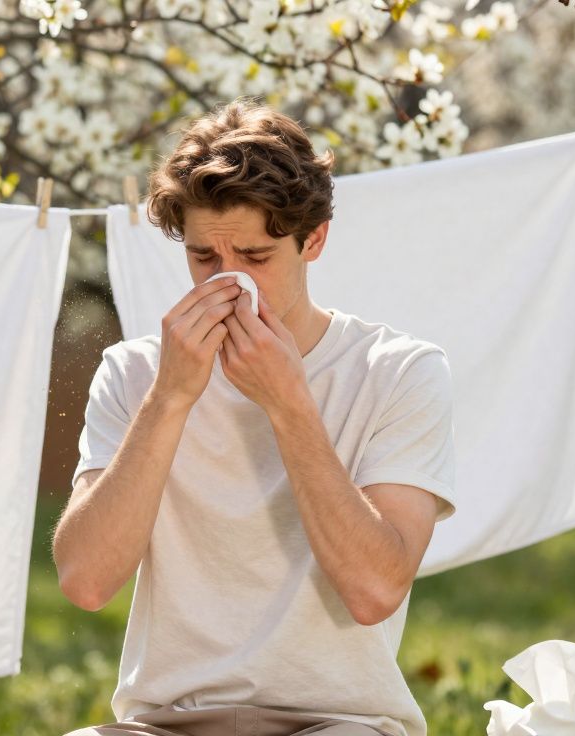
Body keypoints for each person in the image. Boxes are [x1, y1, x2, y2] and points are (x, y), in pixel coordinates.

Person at [52, 97, 458, 736]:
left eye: (255, 257)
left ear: (313, 239)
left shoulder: (399, 371)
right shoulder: (135, 373)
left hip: (337, 723)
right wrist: (170, 398)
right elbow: (85, 582)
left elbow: (375, 590)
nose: (227, 281)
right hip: (168, 723)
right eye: (203, 258)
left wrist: (288, 403)